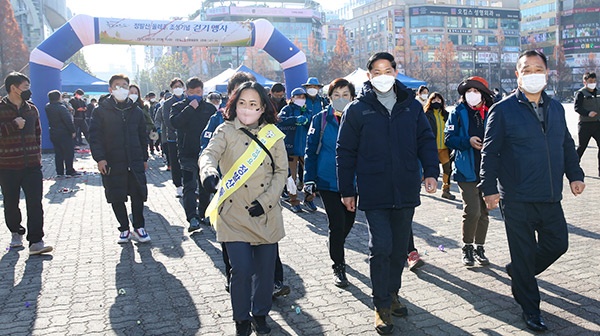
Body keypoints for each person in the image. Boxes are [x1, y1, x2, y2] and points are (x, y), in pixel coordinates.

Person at [479, 50, 585, 332]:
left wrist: (575, 175)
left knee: (558, 244)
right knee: (524, 253)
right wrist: (488, 189)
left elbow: (565, 145)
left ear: (547, 74)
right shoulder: (502, 110)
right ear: (518, 74)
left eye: (539, 69)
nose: (533, 74)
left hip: (550, 195)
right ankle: (530, 309)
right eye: (527, 69)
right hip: (517, 198)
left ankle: (519, 272)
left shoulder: (555, 108)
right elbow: (490, 154)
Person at [337, 52, 439, 335]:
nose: (383, 76)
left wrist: (431, 171)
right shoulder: (357, 110)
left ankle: (393, 293)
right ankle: (380, 305)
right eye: (377, 71)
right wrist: (347, 189)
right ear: (369, 75)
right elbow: (344, 152)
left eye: (388, 70)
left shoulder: (411, 106)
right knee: (380, 247)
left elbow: (425, 140)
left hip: (406, 188)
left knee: (398, 250)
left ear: (395, 72)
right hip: (374, 190)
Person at [199, 81, 287, 336]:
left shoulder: (273, 134)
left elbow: (281, 172)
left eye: (253, 105)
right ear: (233, 104)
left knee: (265, 272)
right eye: (242, 103)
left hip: (265, 214)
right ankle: (241, 319)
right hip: (234, 214)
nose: (247, 109)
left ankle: (260, 313)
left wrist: (266, 201)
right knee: (241, 270)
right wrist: (208, 172)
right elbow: (208, 154)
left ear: (262, 108)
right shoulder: (225, 130)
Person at [304, 78, 357, 287]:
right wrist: (309, 178)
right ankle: (338, 265)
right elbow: (311, 149)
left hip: (352, 182)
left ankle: (335, 244)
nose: (341, 99)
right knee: (337, 224)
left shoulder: (358, 118)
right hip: (327, 180)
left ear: (352, 97)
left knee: (349, 222)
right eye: (336, 95)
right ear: (329, 97)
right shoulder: (320, 119)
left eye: (345, 95)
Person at [89, 74, 151, 244]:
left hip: (134, 160)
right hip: (112, 161)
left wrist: (144, 158)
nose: (121, 89)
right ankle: (124, 228)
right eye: (117, 86)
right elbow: (95, 137)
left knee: (138, 194)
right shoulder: (100, 111)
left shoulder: (136, 111)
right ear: (110, 89)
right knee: (116, 195)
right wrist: (100, 159)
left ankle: (139, 227)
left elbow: (142, 136)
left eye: (124, 85)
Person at [0, 72, 52, 255]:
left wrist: (37, 158)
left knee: (35, 203)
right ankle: (16, 231)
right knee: (11, 202)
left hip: (32, 165)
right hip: (7, 166)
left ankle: (36, 241)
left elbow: (37, 135)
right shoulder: (1, 108)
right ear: (13, 88)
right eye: (25, 87)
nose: (28, 91)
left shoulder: (32, 109)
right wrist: (13, 125)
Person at [445, 76, 494, 267]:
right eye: (468, 91)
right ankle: (467, 247)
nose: (472, 95)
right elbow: (448, 138)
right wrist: (468, 141)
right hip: (466, 169)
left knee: (484, 213)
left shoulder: (491, 112)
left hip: (487, 169)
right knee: (472, 211)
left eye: (476, 91)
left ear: (483, 94)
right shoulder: (457, 111)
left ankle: (479, 247)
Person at [170, 77, 216, 232]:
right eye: (192, 92)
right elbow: (175, 123)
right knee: (189, 186)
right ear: (186, 92)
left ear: (203, 91)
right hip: (187, 154)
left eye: (198, 92)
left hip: (206, 153)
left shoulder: (209, 108)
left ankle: (204, 213)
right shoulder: (177, 107)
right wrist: (190, 108)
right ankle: (192, 218)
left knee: (205, 186)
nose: (196, 94)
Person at [277, 87, 316, 213]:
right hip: (290, 148)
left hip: (305, 148)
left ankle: (309, 199)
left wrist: (306, 118)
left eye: (303, 97)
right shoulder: (287, 109)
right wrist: (295, 120)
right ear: (292, 98)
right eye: (298, 97)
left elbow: (312, 122)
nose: (301, 99)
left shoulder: (307, 110)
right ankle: (294, 200)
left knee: (309, 175)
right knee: (291, 178)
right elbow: (279, 120)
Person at [157, 78, 186, 197]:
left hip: (187, 137)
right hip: (173, 137)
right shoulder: (167, 103)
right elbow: (167, 120)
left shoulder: (188, 100)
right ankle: (178, 185)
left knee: (188, 162)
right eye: (175, 86)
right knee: (175, 162)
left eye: (180, 85)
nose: (178, 88)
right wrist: (178, 128)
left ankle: (189, 184)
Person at [425, 92, 455, 200]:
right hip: (430, 148)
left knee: (447, 169)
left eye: (439, 100)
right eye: (434, 100)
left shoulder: (447, 115)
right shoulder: (426, 115)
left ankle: (446, 190)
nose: (436, 102)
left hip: (444, 148)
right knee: (428, 170)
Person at [45, 90, 78, 177]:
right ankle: (69, 170)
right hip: (64, 133)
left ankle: (59, 171)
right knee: (68, 152)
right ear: (58, 97)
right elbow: (68, 120)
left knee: (58, 153)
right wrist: (73, 131)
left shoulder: (48, 107)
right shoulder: (61, 108)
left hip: (53, 132)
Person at [574, 71, 600, 176]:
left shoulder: (598, 92)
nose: (592, 83)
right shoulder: (581, 93)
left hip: (597, 124)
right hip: (585, 124)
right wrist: (588, 113)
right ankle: (573, 166)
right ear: (584, 82)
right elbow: (577, 107)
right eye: (590, 81)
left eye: (594, 81)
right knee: (582, 147)